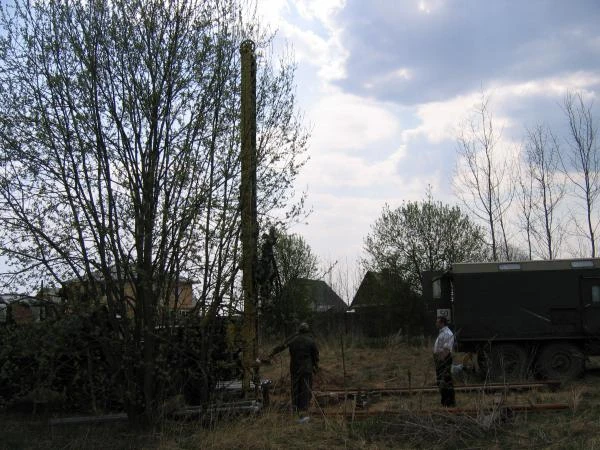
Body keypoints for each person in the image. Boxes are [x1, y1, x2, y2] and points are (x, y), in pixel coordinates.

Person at [268, 322, 319, 418]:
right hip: (307, 368)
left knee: (295, 387)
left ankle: (295, 407)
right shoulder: (311, 341)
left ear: (299, 330)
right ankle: (304, 408)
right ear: (307, 330)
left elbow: (281, 347)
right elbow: (315, 355)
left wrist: (271, 354)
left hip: (295, 367)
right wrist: (315, 366)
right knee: (306, 387)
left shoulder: (293, 340)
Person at [433, 316, 456, 407]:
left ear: (442, 323)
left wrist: (441, 360)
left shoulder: (447, 333)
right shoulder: (443, 333)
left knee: (445, 380)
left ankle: (449, 402)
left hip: (444, 359)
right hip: (441, 359)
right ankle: (445, 401)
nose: (436, 323)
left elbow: (446, 349)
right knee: (441, 380)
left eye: (437, 322)